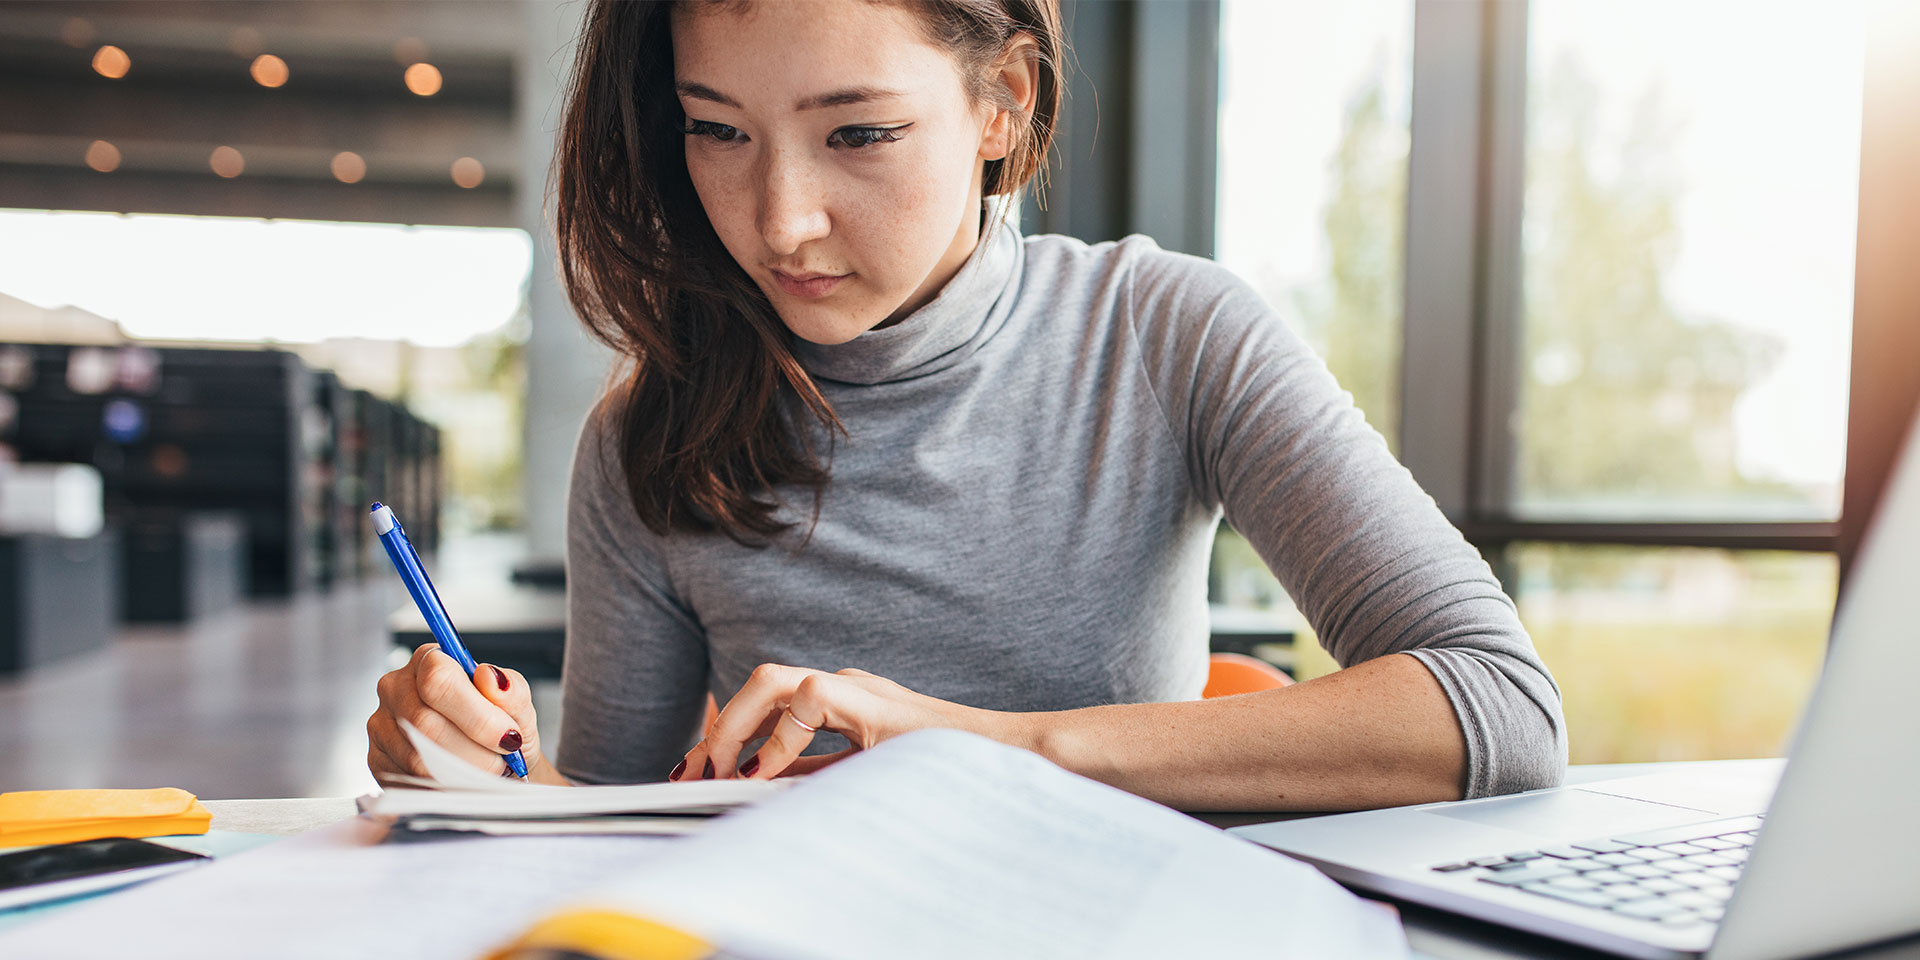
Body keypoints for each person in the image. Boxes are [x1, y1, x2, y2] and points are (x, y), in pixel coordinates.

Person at [367, 0, 1566, 811]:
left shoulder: (1166, 335)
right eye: (716, 130)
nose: (780, 220)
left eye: (859, 133)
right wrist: (478, 775)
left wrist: (976, 747)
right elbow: (612, 825)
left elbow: (1500, 710)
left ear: (1002, 104)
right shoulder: (645, 436)